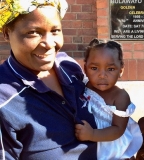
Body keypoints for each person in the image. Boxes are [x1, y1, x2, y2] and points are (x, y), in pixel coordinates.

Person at [0, 0, 99, 159]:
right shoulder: (4, 102)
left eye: (55, 30)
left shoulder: (69, 67)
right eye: (33, 32)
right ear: (6, 33)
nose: (49, 44)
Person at [75, 38, 143, 160]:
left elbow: (118, 129)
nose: (102, 75)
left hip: (112, 148)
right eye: (94, 68)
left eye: (110, 69)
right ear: (85, 69)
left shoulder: (120, 97)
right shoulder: (83, 87)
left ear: (121, 70)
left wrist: (92, 134)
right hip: (90, 145)